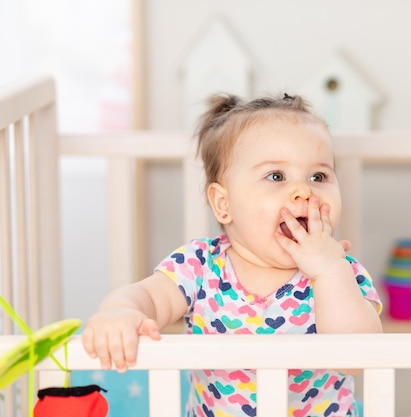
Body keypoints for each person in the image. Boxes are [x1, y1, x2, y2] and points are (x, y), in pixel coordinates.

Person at [82, 92, 383, 417]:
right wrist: (120, 310)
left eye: (318, 176)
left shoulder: (341, 273)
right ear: (224, 204)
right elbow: (147, 297)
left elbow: (358, 356)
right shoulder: (200, 265)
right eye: (276, 176)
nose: (304, 191)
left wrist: (328, 271)